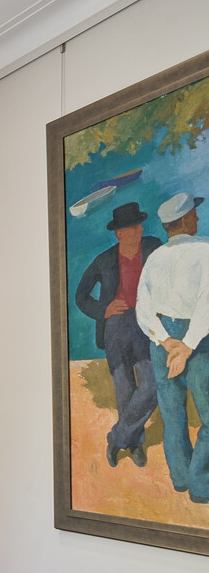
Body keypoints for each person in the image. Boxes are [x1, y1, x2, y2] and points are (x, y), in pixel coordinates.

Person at [135, 192, 209, 501]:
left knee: (173, 414)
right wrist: (186, 346)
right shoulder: (205, 251)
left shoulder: (154, 258)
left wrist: (167, 342)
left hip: (162, 339)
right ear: (184, 220)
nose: (198, 218)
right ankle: (201, 486)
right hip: (198, 339)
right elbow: (207, 304)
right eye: (194, 214)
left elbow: (143, 308)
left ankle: (180, 478)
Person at [75, 202, 161, 467]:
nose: (138, 229)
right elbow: (80, 296)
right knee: (124, 389)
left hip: (146, 324)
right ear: (119, 233)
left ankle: (118, 437)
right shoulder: (104, 260)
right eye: (131, 227)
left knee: (152, 384)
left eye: (138, 225)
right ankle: (133, 443)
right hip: (116, 327)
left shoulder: (153, 247)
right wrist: (105, 309)